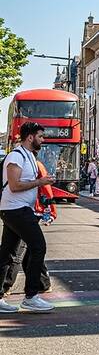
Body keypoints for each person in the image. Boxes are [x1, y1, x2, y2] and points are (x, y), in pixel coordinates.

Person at [0, 122, 56, 312]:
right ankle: (31, 296)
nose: (43, 139)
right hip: (16, 210)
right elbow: (14, 186)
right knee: (38, 246)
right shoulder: (16, 156)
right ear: (30, 137)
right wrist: (39, 182)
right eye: (40, 136)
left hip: (19, 210)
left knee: (7, 254)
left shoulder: (29, 156)